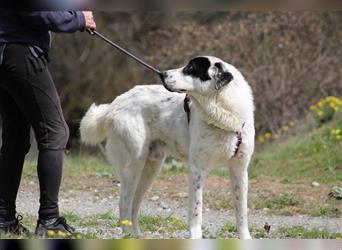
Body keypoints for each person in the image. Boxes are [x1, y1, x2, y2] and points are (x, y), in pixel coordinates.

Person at [0, 11, 96, 238]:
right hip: (20, 52)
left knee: (16, 136)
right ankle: (49, 220)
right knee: (55, 132)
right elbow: (39, 13)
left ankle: (3, 218)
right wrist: (79, 19)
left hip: (5, 52)